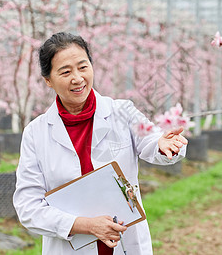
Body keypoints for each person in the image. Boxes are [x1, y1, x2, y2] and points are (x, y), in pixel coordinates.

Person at [13, 32, 188, 255]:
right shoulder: (36, 134)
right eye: (65, 72)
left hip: (126, 244)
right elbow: (28, 208)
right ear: (48, 80)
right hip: (70, 247)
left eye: (83, 67)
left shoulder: (122, 112)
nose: (77, 78)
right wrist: (86, 225)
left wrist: (166, 145)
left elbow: (152, 143)